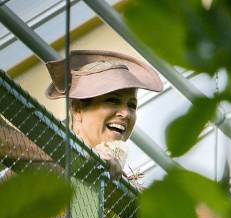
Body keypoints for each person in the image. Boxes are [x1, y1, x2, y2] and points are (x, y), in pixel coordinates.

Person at [44, 49, 162, 177]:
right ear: (77, 108)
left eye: (132, 105)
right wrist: (85, 160)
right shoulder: (45, 148)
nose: (126, 113)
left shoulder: (124, 187)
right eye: (113, 100)